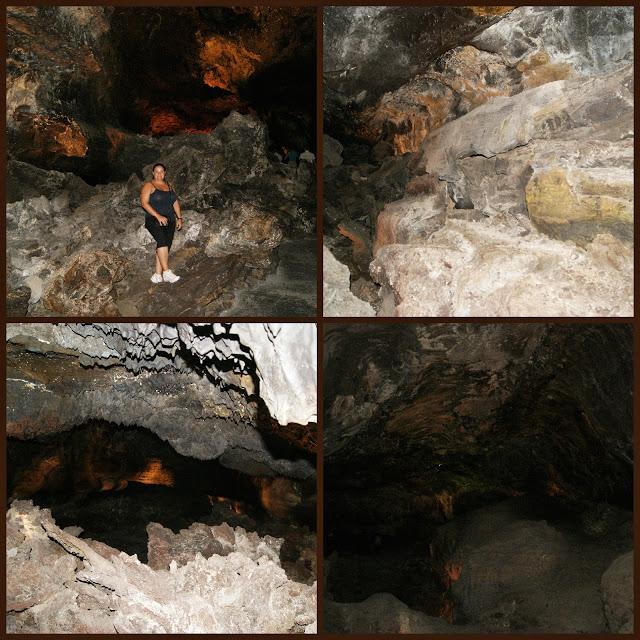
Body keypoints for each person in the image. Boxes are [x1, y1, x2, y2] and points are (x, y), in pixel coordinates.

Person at [140, 163, 183, 283]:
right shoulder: (149, 185)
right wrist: (157, 215)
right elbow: (144, 203)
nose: (159, 174)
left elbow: (175, 202)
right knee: (162, 242)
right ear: (153, 173)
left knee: (164, 246)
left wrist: (179, 218)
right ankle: (166, 272)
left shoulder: (169, 185)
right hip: (153, 219)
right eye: (156, 171)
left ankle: (157, 274)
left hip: (170, 219)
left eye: (161, 171)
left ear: (165, 173)